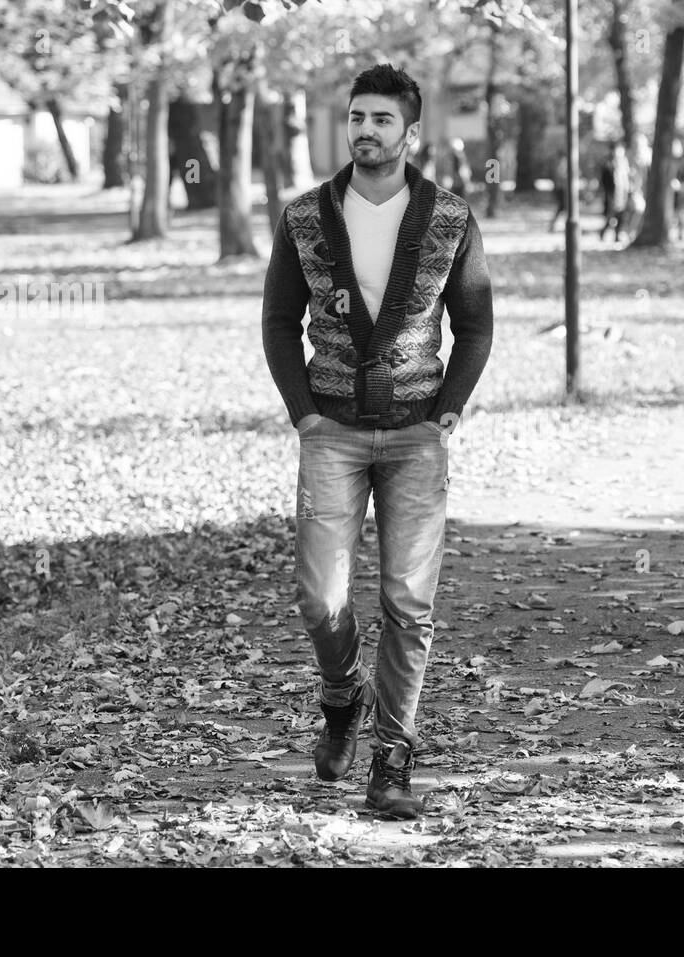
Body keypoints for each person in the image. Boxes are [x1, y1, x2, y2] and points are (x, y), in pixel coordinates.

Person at [261, 63, 494, 818]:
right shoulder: (304, 218)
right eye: (356, 117)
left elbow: (476, 323)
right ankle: (341, 696)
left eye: (382, 119)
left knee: (408, 602)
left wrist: (448, 412)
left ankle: (392, 758)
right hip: (330, 433)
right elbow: (277, 323)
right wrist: (304, 413)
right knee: (321, 596)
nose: (366, 130)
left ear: (410, 132)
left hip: (417, 436)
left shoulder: (450, 219)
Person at [598, 141, 629, 242]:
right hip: (611, 193)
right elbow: (605, 180)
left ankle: (617, 234)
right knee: (611, 216)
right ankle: (603, 232)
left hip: (622, 192)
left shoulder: (624, 163)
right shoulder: (608, 163)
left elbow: (626, 178)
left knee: (620, 216)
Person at [548, 150, 568, 233]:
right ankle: (554, 225)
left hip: (562, 189)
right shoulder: (560, 166)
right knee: (563, 207)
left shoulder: (561, 165)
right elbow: (559, 178)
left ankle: (553, 225)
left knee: (563, 208)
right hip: (561, 189)